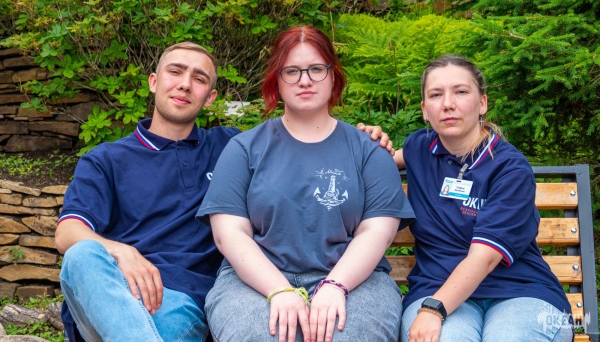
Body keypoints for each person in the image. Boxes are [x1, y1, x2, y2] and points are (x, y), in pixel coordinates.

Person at [55, 41, 392, 342]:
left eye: (199, 79)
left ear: (211, 97)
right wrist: (123, 253)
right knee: (81, 256)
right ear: (153, 81)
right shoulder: (106, 159)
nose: (185, 84)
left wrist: (369, 141)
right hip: (117, 290)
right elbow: (68, 232)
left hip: (180, 300)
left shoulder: (230, 147)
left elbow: (298, 142)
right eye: (175, 72)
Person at [196, 25, 415, 342]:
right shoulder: (244, 149)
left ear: (333, 76)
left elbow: (376, 231)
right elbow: (229, 233)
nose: (305, 80)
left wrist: (336, 285)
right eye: (292, 71)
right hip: (255, 281)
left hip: (355, 280)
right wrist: (280, 290)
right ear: (276, 80)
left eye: (316, 69)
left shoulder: (368, 151)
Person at [394, 55, 573, 342]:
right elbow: (375, 163)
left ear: (482, 103)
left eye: (461, 92)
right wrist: (369, 141)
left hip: (519, 292)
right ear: (425, 110)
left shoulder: (510, 168)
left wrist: (433, 309)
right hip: (435, 286)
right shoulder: (419, 147)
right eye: (436, 95)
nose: (448, 104)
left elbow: (485, 258)